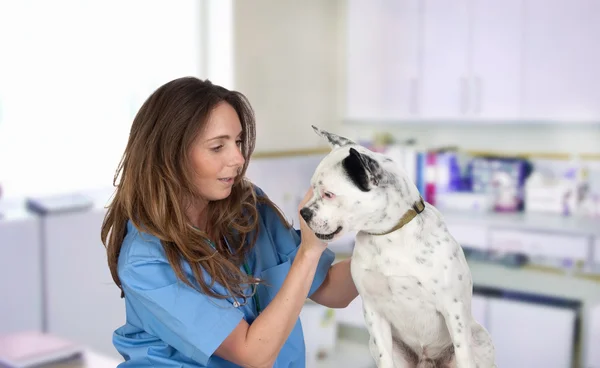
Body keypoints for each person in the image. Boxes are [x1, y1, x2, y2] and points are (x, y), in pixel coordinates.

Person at [100, 76, 359, 367]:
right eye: (217, 147)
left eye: (237, 142)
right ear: (170, 156)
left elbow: (332, 290)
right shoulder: (146, 261)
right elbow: (253, 354)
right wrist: (309, 252)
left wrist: (394, 242)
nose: (238, 158)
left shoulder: (247, 209)